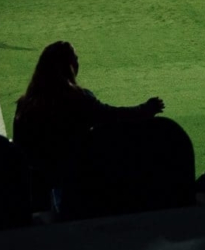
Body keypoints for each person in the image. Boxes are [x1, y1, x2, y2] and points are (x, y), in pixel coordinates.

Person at [13, 41, 165, 201]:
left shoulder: (25, 105)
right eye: (75, 59)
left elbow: (19, 149)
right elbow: (113, 116)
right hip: (75, 183)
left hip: (36, 187)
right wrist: (144, 109)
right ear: (70, 67)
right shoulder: (78, 100)